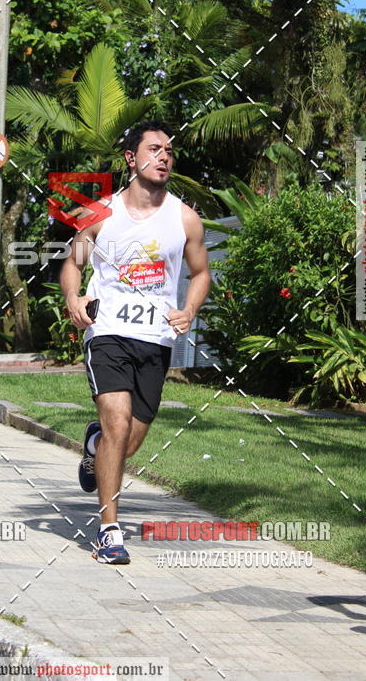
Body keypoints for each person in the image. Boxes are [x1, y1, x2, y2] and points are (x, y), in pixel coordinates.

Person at [60, 121, 210, 565]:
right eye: (154, 149)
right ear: (131, 158)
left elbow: (201, 273)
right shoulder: (102, 213)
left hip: (156, 339)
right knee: (118, 423)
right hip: (107, 331)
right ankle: (109, 532)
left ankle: (93, 449)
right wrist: (73, 296)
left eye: (168, 151)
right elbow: (72, 263)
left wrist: (189, 309)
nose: (164, 157)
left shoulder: (184, 218)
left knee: (128, 440)